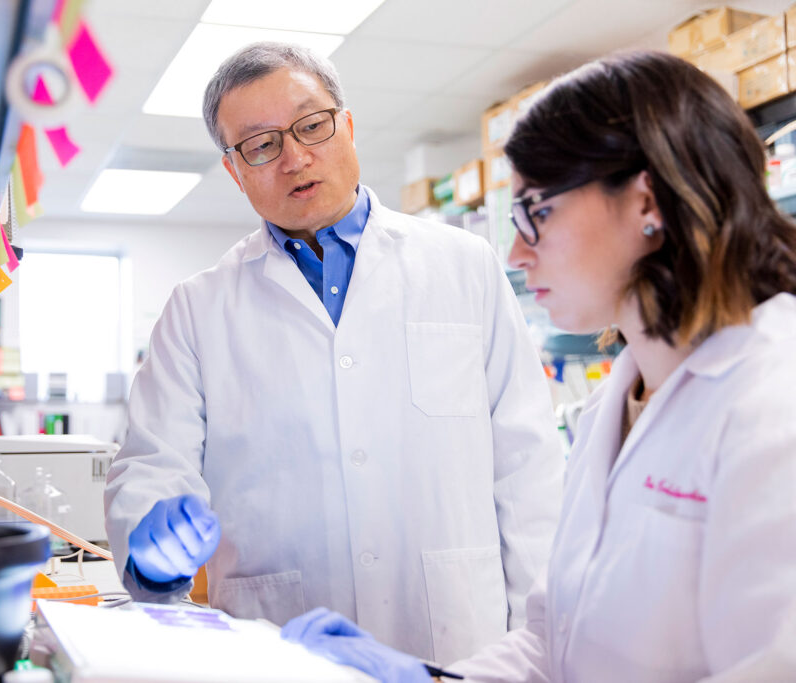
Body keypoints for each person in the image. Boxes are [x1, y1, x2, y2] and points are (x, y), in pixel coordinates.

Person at [281, 49, 796, 682]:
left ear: (646, 202)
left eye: (536, 213)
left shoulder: (774, 398)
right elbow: (557, 638)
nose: (516, 251)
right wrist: (439, 680)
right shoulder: (620, 399)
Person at [104, 42, 565, 664]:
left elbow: (529, 466)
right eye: (261, 145)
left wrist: (537, 649)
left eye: (312, 125)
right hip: (281, 648)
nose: (295, 157)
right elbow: (153, 467)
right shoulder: (197, 309)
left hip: (462, 643)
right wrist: (151, 546)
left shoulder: (464, 266)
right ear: (235, 171)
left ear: (346, 126)